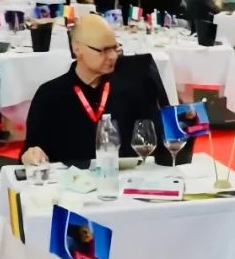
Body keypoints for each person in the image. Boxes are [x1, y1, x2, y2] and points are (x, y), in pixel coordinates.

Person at [22, 14, 161, 165]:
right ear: (77, 49)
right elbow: (32, 151)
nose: (112, 56)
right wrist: (32, 155)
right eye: (103, 50)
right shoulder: (50, 95)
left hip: (125, 175)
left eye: (115, 48)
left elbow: (155, 140)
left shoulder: (133, 89)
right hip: (69, 177)